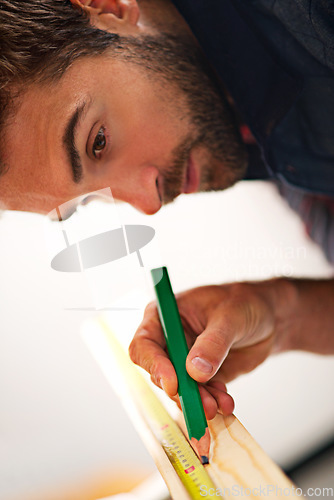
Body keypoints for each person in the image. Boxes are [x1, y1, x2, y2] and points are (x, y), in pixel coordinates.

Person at [0, 0, 333, 418]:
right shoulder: (231, 118)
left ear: (109, 8)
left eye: (98, 142)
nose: (149, 204)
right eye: (87, 202)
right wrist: (281, 313)